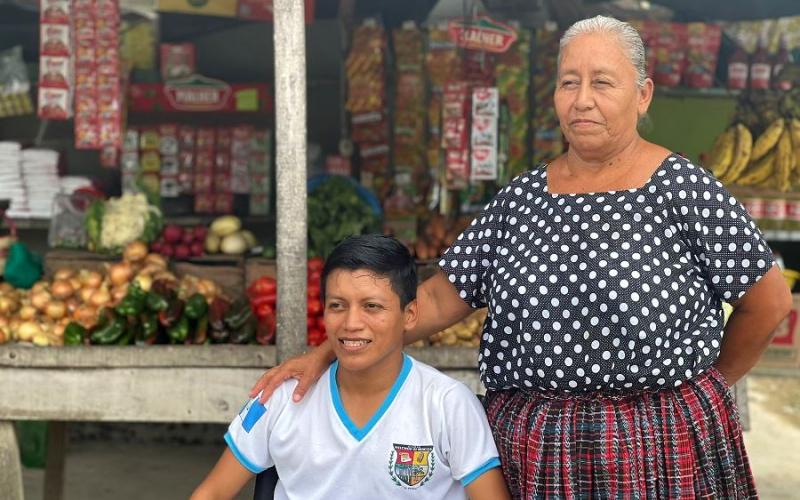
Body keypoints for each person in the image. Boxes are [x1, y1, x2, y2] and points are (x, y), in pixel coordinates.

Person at [250, 15, 793, 499]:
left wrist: (702, 392)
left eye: (602, 82)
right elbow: (439, 295)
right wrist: (326, 352)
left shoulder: (682, 188)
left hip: (655, 451)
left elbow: (767, 301)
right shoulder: (522, 199)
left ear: (643, 94)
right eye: (568, 83)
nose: (582, 99)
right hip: (533, 454)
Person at [192, 234, 510, 500]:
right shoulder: (279, 397)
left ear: (410, 315)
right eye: (337, 306)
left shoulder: (448, 404)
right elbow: (212, 492)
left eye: (372, 306)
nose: (351, 323)